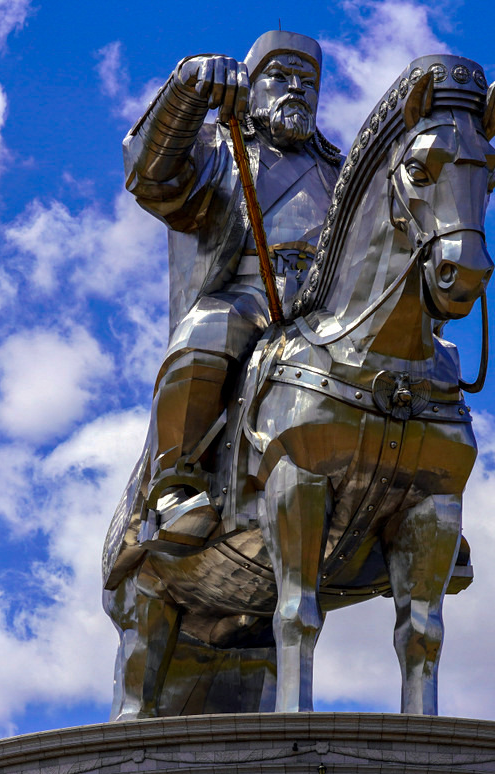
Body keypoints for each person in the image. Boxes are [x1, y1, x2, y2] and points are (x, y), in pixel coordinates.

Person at [122, 29, 343, 543]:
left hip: (326, 308)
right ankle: (175, 482)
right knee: (209, 331)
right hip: (248, 296)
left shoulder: (339, 169)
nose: (295, 89)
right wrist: (187, 89)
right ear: (252, 84)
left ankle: (413, 498)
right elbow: (149, 175)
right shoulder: (221, 147)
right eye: (280, 78)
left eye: (307, 82)